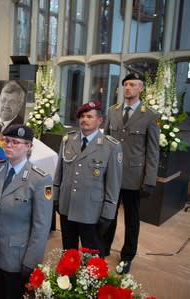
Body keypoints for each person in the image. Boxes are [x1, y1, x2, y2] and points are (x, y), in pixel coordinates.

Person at [0, 124, 53, 299]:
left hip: (17, 258)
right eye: (6, 141)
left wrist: (32, 261)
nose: (8, 145)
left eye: (15, 142)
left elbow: (41, 226)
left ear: (29, 146)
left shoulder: (39, 179)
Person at [103, 73, 160, 274]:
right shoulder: (113, 111)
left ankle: (127, 256)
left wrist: (149, 180)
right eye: (125, 84)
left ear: (141, 88)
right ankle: (103, 248)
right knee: (108, 213)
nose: (128, 88)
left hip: (134, 178)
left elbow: (153, 150)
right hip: (112, 174)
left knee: (132, 219)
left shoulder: (150, 115)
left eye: (133, 85)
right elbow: (105, 143)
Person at [53, 101, 122, 257]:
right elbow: (59, 172)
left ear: (100, 120)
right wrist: (55, 197)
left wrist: (109, 212)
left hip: (91, 210)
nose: (85, 119)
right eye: (82, 116)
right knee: (68, 252)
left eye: (90, 116)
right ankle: (68, 278)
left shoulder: (110, 146)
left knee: (92, 255)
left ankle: (91, 281)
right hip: (67, 206)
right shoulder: (68, 140)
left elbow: (113, 184)